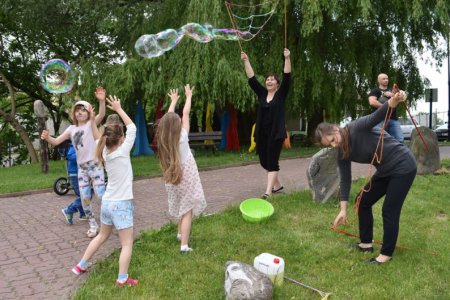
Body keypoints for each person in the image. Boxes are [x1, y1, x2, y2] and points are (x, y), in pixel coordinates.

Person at [314, 90, 416, 264]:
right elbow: (345, 180)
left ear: (336, 128)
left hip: (403, 165)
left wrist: (395, 99)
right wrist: (343, 209)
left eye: (333, 139)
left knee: (389, 210)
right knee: (362, 200)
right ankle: (366, 243)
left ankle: (386, 254)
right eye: (330, 144)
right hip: (385, 171)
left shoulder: (357, 127)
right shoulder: (341, 152)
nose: (334, 144)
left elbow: (380, 114)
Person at [72, 95, 138, 287]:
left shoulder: (103, 151)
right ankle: (122, 278)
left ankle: (81, 265)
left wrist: (93, 118)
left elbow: (96, 136)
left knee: (102, 235)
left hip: (107, 203)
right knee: (126, 244)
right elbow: (132, 126)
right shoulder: (123, 151)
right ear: (122, 138)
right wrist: (118, 108)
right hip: (121, 204)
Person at [41, 87, 106, 238]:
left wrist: (101, 101)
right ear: (73, 113)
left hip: (95, 165)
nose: (80, 112)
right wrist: (47, 137)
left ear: (89, 113)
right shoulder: (71, 129)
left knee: (101, 195)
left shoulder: (91, 124)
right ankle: (92, 224)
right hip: (81, 168)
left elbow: (102, 114)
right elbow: (56, 141)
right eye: (77, 110)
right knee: (84, 197)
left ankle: (106, 223)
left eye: (83, 110)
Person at [156, 84, 206, 253]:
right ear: (178, 126)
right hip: (187, 177)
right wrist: (188, 96)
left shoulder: (163, 140)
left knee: (181, 206)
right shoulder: (183, 136)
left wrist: (173, 101)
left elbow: (167, 121)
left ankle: (179, 233)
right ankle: (184, 245)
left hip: (172, 178)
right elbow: (185, 113)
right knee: (187, 210)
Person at [241, 48, 291, 199]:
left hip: (276, 133)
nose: (269, 81)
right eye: (267, 79)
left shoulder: (281, 95)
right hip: (262, 134)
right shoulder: (262, 94)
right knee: (264, 161)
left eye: (272, 79)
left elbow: (287, 76)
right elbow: (251, 78)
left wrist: (287, 58)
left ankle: (268, 192)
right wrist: (246, 61)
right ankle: (278, 185)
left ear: (277, 83)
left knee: (273, 161)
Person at [368, 73, 404, 143]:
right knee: (378, 140)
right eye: (384, 79)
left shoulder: (392, 90)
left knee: (399, 139)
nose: (386, 80)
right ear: (379, 80)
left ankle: (397, 153)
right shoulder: (375, 91)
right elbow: (372, 102)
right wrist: (386, 106)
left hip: (393, 119)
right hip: (379, 119)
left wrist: (397, 95)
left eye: (387, 78)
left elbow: (402, 98)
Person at [61, 143, 87, 224]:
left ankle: (82, 214)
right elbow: (71, 157)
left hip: (83, 173)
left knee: (83, 194)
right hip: (75, 174)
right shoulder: (74, 145)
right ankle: (69, 210)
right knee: (84, 195)